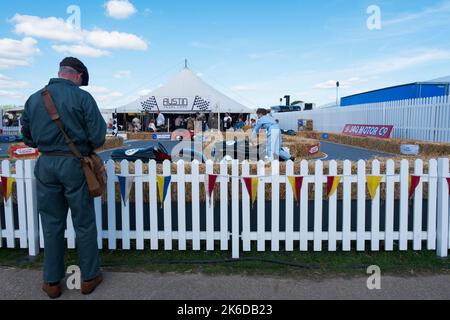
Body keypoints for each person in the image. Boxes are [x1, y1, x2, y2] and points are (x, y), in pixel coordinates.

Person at [21, 57, 106, 299]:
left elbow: (27, 137)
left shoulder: (34, 98)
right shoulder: (82, 97)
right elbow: (98, 136)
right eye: (81, 81)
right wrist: (80, 148)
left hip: (46, 163)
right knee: (84, 222)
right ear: (77, 76)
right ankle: (89, 277)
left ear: (60, 73)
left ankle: (52, 282)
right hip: (74, 163)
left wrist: (47, 145)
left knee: (51, 223)